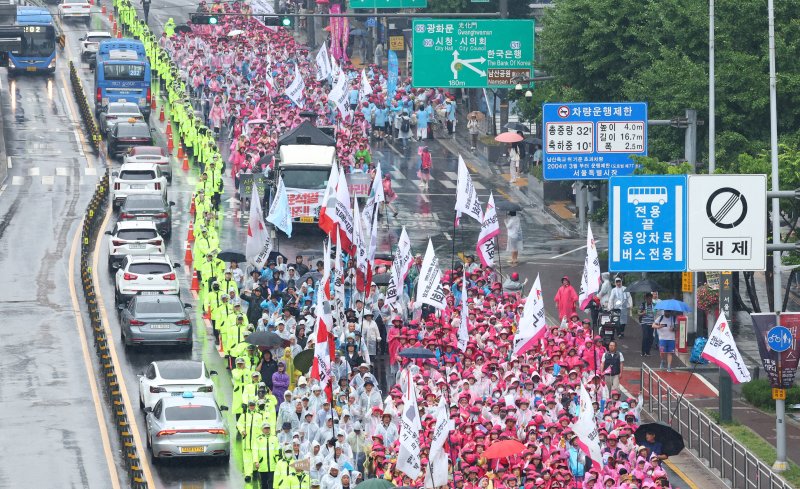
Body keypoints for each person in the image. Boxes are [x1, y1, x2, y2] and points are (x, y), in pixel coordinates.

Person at [639, 292, 656, 356]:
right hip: (644, 323)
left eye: (650, 298)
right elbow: (638, 313)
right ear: (646, 298)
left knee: (651, 338)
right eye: (648, 298)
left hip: (652, 323)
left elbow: (656, 313)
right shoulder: (643, 305)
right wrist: (642, 313)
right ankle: (643, 352)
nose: (649, 300)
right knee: (645, 336)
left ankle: (648, 351)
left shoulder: (654, 305)